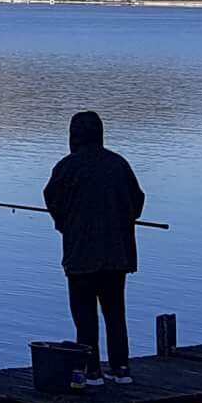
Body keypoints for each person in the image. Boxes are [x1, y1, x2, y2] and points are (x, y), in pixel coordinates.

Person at [40, 109, 147, 384]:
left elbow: (52, 199)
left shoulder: (67, 167)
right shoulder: (118, 164)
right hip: (117, 255)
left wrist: (65, 224)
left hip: (81, 255)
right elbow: (137, 202)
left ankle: (91, 370)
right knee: (115, 312)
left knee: (84, 314)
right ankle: (121, 368)